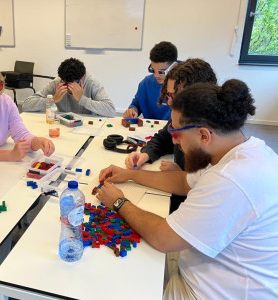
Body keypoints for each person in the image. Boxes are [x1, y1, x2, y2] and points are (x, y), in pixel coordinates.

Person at [98, 80, 278, 299]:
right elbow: (184, 182)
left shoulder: (231, 179)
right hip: (206, 272)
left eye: (177, 132)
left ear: (204, 135)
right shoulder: (241, 149)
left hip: (205, 293)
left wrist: (119, 202)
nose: (173, 140)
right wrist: (129, 174)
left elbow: (163, 238)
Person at [125, 58, 217, 212]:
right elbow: (163, 138)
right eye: (167, 94)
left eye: (174, 95)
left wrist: (181, 175)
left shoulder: (214, 147)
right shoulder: (182, 117)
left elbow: (197, 192)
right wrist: (146, 154)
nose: (168, 101)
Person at [22, 57, 116, 117]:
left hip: (86, 125)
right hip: (63, 124)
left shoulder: (92, 83)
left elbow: (111, 110)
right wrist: (52, 100)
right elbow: (26, 105)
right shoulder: (57, 82)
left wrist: (82, 99)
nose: (68, 88)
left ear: (81, 78)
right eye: (65, 83)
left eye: (72, 84)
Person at [123, 41, 178, 120]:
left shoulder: (183, 86)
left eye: (161, 72)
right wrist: (132, 111)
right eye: (152, 70)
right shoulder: (146, 83)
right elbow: (136, 104)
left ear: (174, 66)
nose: (156, 75)